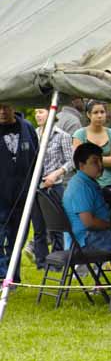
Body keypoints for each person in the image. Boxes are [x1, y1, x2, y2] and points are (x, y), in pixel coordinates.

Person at [28, 107, 74, 269]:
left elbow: (71, 161)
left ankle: (56, 263)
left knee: (56, 228)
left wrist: (56, 173)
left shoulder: (62, 136)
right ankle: (41, 263)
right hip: (35, 187)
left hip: (54, 186)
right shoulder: (33, 134)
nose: (37, 115)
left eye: (40, 111)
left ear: (51, 113)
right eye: (36, 112)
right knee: (38, 228)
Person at [0, 105, 38, 283]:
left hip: (23, 195)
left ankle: (12, 275)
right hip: (1, 195)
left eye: (5, 107)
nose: (2, 111)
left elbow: (37, 159)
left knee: (18, 237)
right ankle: (2, 275)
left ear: (13, 107)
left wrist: (35, 186)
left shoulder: (27, 128)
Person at [61, 143, 111, 255]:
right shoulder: (81, 187)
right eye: (94, 162)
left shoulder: (84, 182)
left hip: (88, 237)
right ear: (81, 165)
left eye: (100, 160)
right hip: (86, 240)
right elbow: (89, 222)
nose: (100, 165)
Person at [72, 100, 111, 188]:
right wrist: (106, 160)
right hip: (85, 184)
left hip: (109, 184)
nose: (100, 116)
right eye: (95, 112)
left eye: (102, 112)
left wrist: (89, 159)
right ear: (88, 115)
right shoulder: (79, 134)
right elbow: (78, 162)